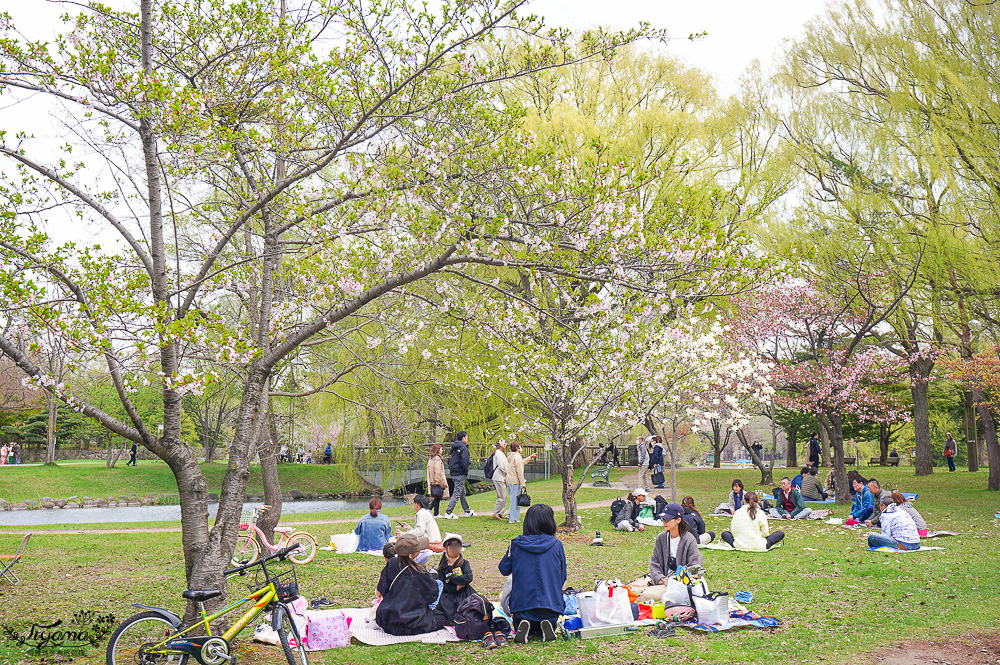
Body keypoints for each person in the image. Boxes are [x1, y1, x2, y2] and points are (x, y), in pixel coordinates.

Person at [498, 504, 566, 643]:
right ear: (550, 522)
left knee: (521, 613)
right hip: (550, 607)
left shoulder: (516, 544)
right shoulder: (556, 545)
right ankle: (546, 624)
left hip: (522, 607)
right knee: (548, 616)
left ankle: (525, 624)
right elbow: (562, 576)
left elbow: (503, 569)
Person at [375, 533, 444, 635]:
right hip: (412, 624)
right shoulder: (420, 572)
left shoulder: (391, 563)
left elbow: (381, 591)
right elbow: (432, 596)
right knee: (442, 618)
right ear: (412, 554)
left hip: (387, 621)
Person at [650, 503, 703, 584]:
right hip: (663, 581)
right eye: (663, 519)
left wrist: (673, 579)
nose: (664, 522)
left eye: (667, 520)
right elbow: (654, 561)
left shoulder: (689, 539)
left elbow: (694, 565)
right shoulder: (661, 538)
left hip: (681, 582)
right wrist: (659, 578)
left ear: (678, 520)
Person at [720, 491, 785, 550]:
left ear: (745, 501)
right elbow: (765, 533)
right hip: (758, 544)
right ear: (756, 501)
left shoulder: (738, 512)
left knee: (725, 534)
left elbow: (734, 530)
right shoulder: (760, 512)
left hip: (739, 544)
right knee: (780, 534)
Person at [434, 534, 475, 624]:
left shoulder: (464, 563)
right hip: (448, 595)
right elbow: (441, 584)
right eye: (452, 546)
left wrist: (451, 578)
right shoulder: (443, 567)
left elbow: (468, 578)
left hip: (464, 593)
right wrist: (455, 587)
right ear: (445, 549)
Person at [444, 431, 473, 519]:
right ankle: (448, 512)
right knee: (457, 492)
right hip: (460, 472)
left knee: (462, 492)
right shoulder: (463, 448)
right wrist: (465, 470)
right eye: (466, 437)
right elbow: (464, 461)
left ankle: (467, 511)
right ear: (463, 438)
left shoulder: (454, 447)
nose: (467, 439)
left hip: (454, 472)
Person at [505, 441, 536, 524]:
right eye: (520, 447)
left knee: (512, 499)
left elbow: (521, 464)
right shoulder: (517, 457)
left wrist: (530, 457)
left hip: (509, 480)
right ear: (517, 448)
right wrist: (523, 483)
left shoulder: (511, 456)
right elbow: (519, 471)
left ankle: (510, 515)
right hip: (515, 481)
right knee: (515, 500)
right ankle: (513, 518)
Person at [426, 443, 449, 517]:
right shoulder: (437, 459)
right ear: (438, 450)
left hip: (433, 480)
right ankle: (436, 513)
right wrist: (437, 481)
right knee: (438, 496)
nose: (442, 450)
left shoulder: (431, 459)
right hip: (437, 480)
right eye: (441, 449)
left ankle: (430, 509)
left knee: (437, 496)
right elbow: (437, 470)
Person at [491, 440, 509, 520]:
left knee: (504, 496)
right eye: (503, 442)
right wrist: (506, 472)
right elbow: (501, 465)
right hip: (498, 476)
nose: (505, 444)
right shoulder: (498, 453)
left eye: (505, 442)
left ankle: (500, 512)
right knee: (501, 496)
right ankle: (496, 513)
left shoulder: (501, 453)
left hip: (501, 476)